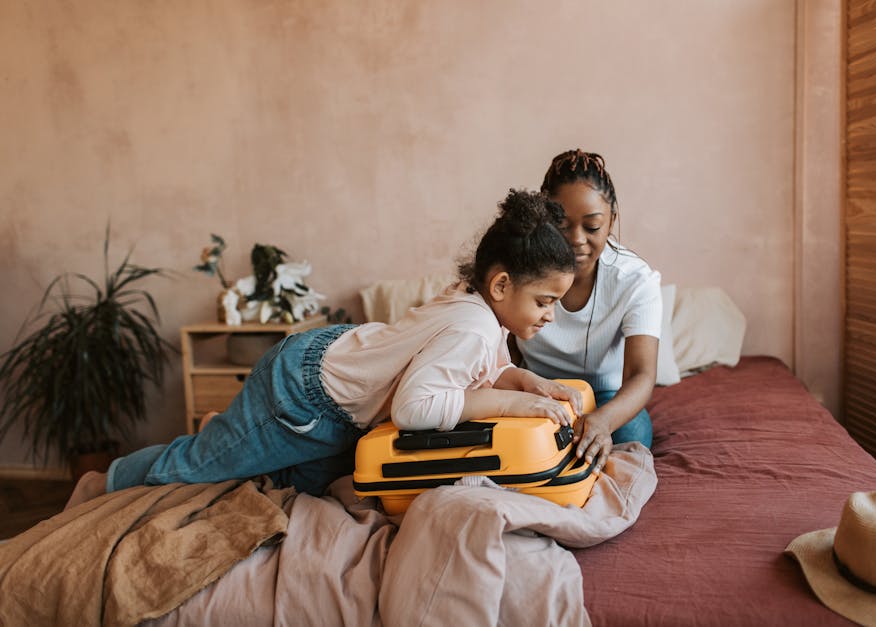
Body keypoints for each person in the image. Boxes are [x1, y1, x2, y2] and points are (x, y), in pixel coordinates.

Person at [65, 189, 583, 509]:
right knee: (202, 465)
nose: (549, 314)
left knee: (304, 490)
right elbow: (415, 408)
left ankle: (232, 430)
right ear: (500, 285)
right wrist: (514, 404)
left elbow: (481, 376)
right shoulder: (472, 326)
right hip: (300, 395)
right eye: (544, 300)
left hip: (335, 392)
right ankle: (104, 480)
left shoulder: (480, 314)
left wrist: (529, 384)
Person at [512, 149, 662, 473]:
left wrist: (602, 422)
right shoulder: (519, 267)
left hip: (605, 395)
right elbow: (504, 344)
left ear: (612, 221)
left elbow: (642, 374)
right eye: (561, 224)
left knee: (632, 431)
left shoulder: (636, 280)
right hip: (535, 386)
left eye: (592, 227)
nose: (576, 240)